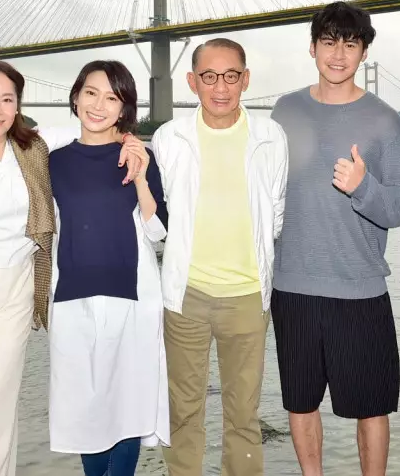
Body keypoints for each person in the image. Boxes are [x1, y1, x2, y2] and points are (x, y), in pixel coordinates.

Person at [0, 59, 145, 476]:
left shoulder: (34, 150)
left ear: (18, 105)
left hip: (16, 297)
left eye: (7, 99)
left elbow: (95, 124)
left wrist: (130, 140)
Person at [270, 2, 400, 475]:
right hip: (292, 285)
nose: (338, 54)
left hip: (360, 289)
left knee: (372, 407)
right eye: (329, 42)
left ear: (364, 52)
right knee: (300, 402)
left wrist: (363, 186)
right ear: (312, 47)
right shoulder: (284, 111)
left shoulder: (386, 120)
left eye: (350, 44)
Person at [150, 38, 288, 476]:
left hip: (247, 296)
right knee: (183, 411)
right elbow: (163, 210)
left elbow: (276, 210)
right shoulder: (168, 137)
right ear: (192, 82)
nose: (221, 87)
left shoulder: (271, 136)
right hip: (186, 295)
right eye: (209, 76)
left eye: (231, 75)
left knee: (243, 414)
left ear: (246, 79)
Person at [47, 60, 170, 476]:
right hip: (71, 298)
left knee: (127, 407)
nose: (99, 105)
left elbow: (157, 230)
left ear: (124, 108)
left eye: (112, 98)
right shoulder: (52, 161)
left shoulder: (140, 155)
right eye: (91, 93)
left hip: (131, 296)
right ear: (75, 97)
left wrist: (141, 175)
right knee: (87, 412)